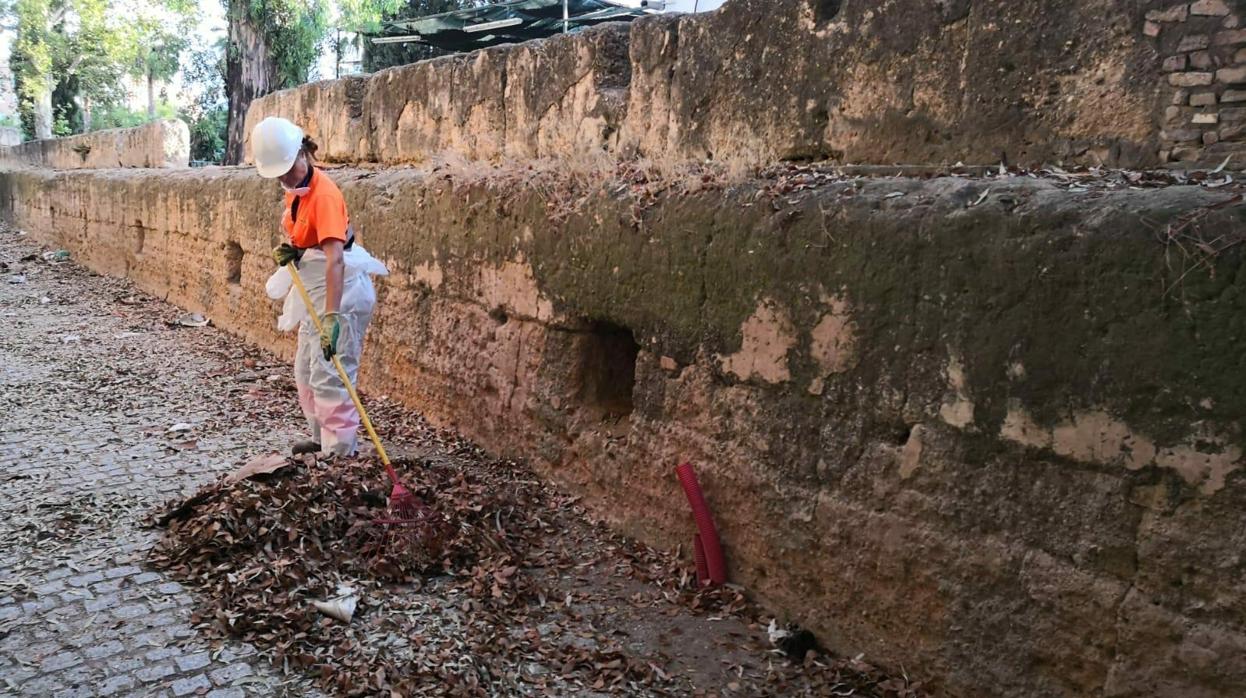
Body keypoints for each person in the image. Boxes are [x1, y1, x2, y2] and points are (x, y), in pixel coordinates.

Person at [252, 116, 388, 457]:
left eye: (286, 169)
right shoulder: (296, 191)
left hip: (340, 295)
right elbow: (308, 236)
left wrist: (331, 316)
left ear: (302, 153)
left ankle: (340, 452)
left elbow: (336, 260)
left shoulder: (324, 195)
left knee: (331, 373)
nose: (283, 178)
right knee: (306, 367)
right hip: (315, 290)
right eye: (278, 173)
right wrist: (296, 250)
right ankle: (319, 438)